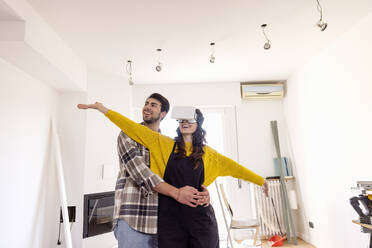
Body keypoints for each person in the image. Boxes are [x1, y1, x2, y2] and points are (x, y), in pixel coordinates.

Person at [78, 102, 268, 248]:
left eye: (189, 120)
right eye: (182, 120)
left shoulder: (210, 155)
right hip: (170, 220)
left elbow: (236, 169)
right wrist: (103, 109)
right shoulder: (162, 144)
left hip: (201, 219)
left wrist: (261, 181)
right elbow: (131, 127)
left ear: (198, 124)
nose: (185, 122)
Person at [109, 93, 210, 248]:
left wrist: (201, 194)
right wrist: (177, 193)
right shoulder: (127, 134)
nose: (147, 107)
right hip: (134, 219)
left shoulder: (167, 145)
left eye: (153, 105)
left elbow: (177, 177)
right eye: (146, 103)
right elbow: (142, 174)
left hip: (164, 223)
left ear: (163, 114)